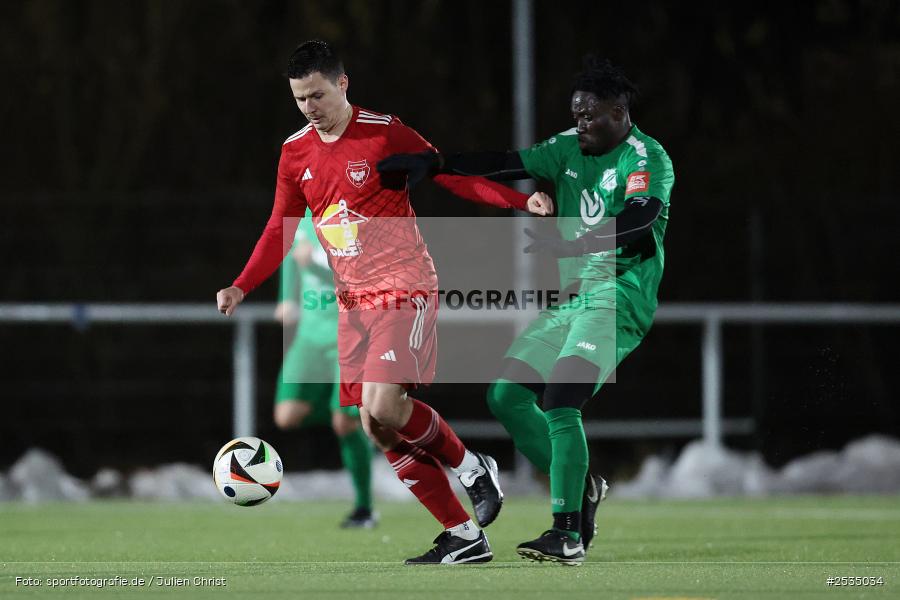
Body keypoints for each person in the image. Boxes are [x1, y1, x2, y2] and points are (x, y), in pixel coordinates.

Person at [216, 40, 537, 565]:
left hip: (403, 285)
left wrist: (520, 201)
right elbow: (280, 226)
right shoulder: (295, 152)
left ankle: (474, 467)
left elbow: (447, 173)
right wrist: (242, 284)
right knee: (375, 423)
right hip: (352, 301)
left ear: (343, 84)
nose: (309, 108)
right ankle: (462, 534)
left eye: (317, 95)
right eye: (300, 99)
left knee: (385, 404)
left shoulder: (384, 132)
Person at [378, 56, 675, 565]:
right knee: (508, 395)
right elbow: (507, 160)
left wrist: (579, 248)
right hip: (574, 300)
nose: (580, 123)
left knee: (561, 399)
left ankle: (567, 532)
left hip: (619, 294)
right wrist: (440, 164)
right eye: (576, 113)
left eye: (590, 115)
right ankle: (584, 490)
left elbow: (642, 217)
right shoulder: (567, 148)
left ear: (621, 112)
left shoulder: (645, 157)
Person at [273, 210, 375, 528]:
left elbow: (362, 276)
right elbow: (292, 251)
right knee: (286, 415)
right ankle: (357, 414)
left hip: (349, 334)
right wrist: (286, 298)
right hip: (309, 335)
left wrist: (315, 264)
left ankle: (364, 508)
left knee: (342, 424)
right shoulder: (302, 212)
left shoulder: (353, 215)